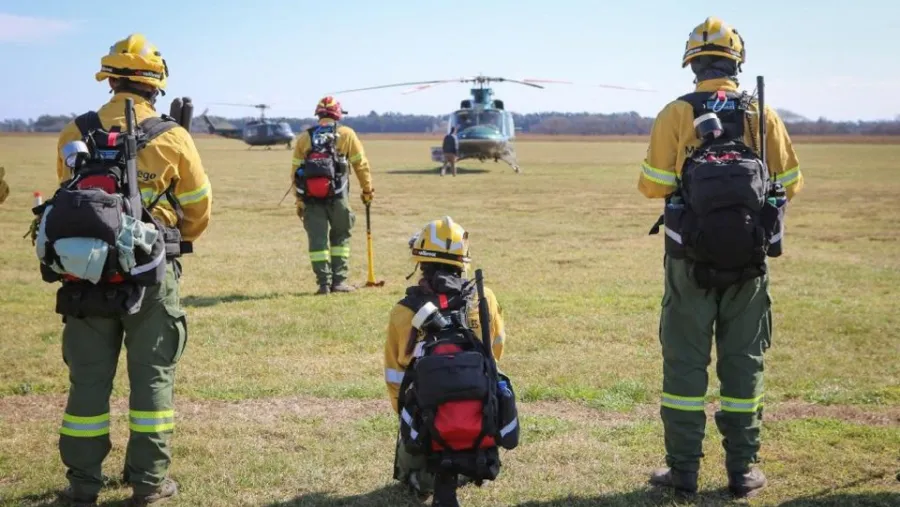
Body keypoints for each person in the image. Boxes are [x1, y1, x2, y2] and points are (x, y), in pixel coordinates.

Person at [639, 16, 803, 499]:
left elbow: (652, 184)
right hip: (750, 262)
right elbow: (791, 184)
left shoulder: (676, 112)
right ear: (737, 62)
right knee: (743, 365)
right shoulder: (762, 113)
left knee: (685, 365)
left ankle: (684, 472)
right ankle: (742, 472)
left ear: (692, 64)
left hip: (688, 258)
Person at [51, 33, 211, 507]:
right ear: (155, 84)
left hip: (85, 277)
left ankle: (82, 486)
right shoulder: (174, 137)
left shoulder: (72, 133)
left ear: (110, 78)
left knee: (87, 384)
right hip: (151, 276)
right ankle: (148, 483)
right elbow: (198, 213)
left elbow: (71, 204)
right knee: (153, 380)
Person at [384, 216, 508, 503]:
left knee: (415, 476)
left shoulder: (404, 312)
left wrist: (410, 418)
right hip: (481, 423)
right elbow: (496, 352)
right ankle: (472, 463)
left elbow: (395, 377)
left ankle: (426, 473)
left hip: (427, 428)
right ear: (461, 261)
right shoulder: (483, 297)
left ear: (421, 261)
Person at [291, 96, 374, 294]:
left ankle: (323, 284)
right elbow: (360, 165)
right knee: (340, 238)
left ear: (318, 114)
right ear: (338, 114)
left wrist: (299, 200)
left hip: (311, 199)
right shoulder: (346, 134)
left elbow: (295, 173)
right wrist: (367, 189)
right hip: (338, 197)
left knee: (317, 241)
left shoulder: (304, 138)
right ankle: (339, 282)